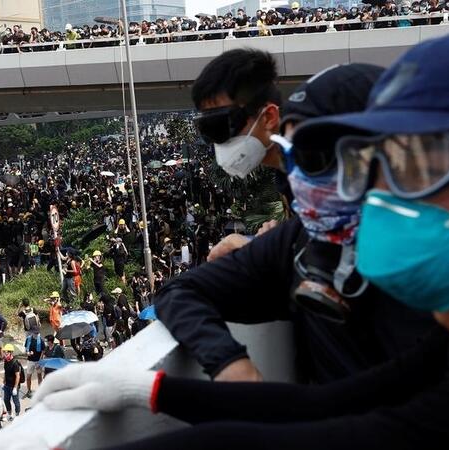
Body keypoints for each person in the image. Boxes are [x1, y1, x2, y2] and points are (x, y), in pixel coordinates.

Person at [28, 32, 449, 450]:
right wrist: (149, 391)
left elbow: (347, 434)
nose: (383, 192)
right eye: (376, 164)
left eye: (428, 163)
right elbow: (327, 405)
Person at [156, 62, 433, 384]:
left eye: (317, 158)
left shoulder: (447, 262)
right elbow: (178, 292)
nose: (303, 180)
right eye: (294, 157)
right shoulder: (297, 245)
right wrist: (231, 365)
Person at [1, 344, 21, 421]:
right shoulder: (6, 361)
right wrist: (3, 382)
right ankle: (10, 414)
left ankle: (17, 415)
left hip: (14, 386)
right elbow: (6, 372)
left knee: (16, 401)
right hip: (7, 385)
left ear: (11, 353)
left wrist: (15, 388)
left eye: (6, 353)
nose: (5, 354)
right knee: (6, 400)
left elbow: (17, 376)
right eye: (4, 352)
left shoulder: (15, 363)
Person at [23, 331, 45, 398]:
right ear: (32, 333)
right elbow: (26, 350)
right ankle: (29, 391)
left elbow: (43, 351)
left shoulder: (41, 340)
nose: (36, 334)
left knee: (39, 376)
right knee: (28, 377)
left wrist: (40, 361)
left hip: (38, 361)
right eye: (35, 333)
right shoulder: (28, 339)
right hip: (30, 361)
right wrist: (28, 353)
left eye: (37, 333)